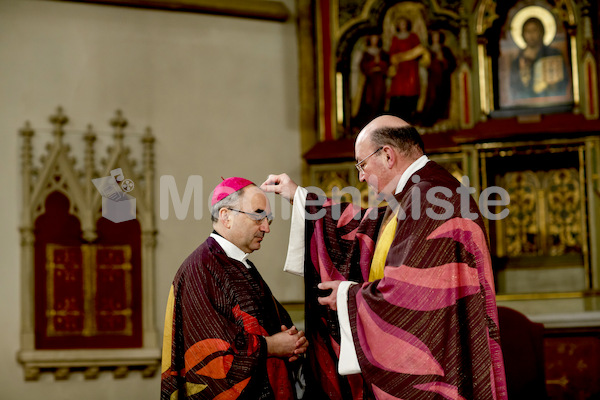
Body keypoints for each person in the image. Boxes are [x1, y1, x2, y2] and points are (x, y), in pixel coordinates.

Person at [261, 115, 507, 399]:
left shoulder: (428, 199)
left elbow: (411, 296)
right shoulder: (419, 193)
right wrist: (301, 197)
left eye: (362, 165)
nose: (362, 177)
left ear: (388, 155)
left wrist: (347, 295)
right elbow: (367, 229)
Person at [161, 177, 308, 400]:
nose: (266, 228)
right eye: (258, 215)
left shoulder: (239, 264)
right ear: (226, 216)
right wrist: (271, 346)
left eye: (268, 219)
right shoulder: (200, 269)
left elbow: (270, 326)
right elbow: (211, 356)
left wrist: (293, 344)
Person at [510, 17, 568, 100]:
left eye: (534, 30)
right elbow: (514, 90)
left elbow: (563, 83)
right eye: (528, 31)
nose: (531, 35)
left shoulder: (553, 54)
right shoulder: (517, 62)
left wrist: (554, 86)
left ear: (541, 32)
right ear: (523, 34)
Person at [387, 17, 429, 121]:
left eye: (404, 23)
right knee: (398, 91)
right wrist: (400, 58)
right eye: (401, 23)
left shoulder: (413, 37)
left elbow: (419, 50)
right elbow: (392, 55)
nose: (403, 25)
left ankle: (411, 114)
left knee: (411, 90)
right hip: (400, 69)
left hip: (411, 68)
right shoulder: (395, 38)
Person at [419, 30, 456, 127]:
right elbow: (423, 63)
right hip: (432, 78)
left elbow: (452, 64)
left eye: (437, 36)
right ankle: (427, 121)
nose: (435, 38)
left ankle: (439, 120)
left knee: (442, 98)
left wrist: (443, 60)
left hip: (443, 78)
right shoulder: (428, 50)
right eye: (434, 36)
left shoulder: (445, 50)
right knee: (432, 97)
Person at [353, 34, 389, 130]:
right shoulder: (367, 53)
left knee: (380, 101)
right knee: (369, 101)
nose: (374, 41)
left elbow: (387, 65)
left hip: (380, 80)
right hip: (371, 82)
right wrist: (373, 65)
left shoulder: (382, 53)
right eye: (373, 39)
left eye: (376, 39)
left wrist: (380, 64)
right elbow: (363, 66)